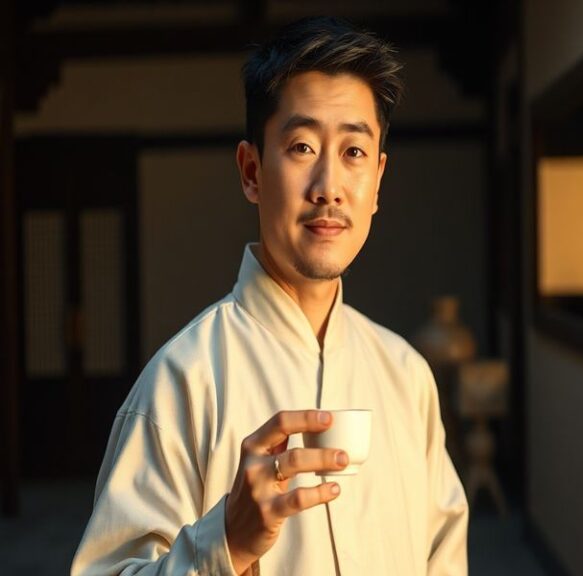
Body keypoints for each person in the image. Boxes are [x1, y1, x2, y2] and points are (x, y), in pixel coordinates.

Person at [71, 16, 468, 576]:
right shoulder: (182, 382)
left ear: (378, 180)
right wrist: (224, 544)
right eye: (302, 146)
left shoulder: (406, 376)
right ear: (252, 170)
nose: (329, 186)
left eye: (353, 152)